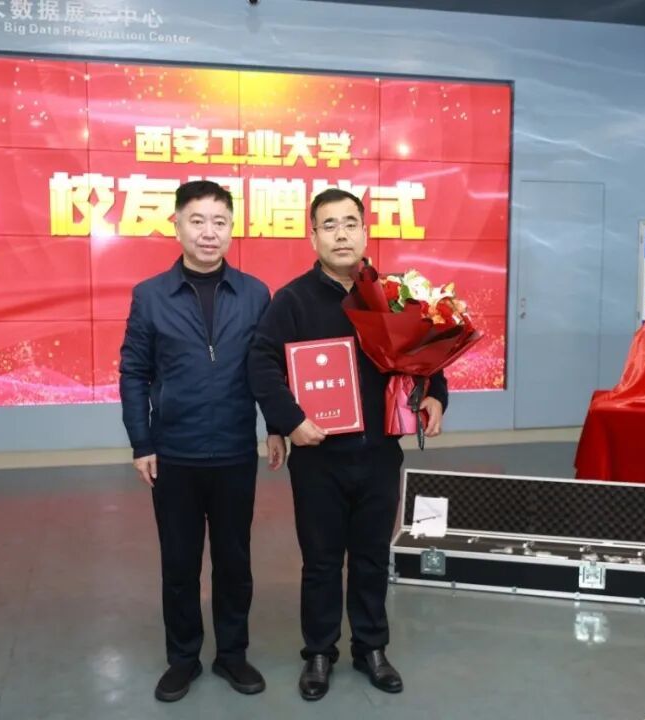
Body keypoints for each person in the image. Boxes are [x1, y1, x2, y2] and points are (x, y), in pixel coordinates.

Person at [248, 187, 448, 701]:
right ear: (313, 236)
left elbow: (427, 354)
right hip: (319, 457)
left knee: (371, 556)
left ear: (365, 231)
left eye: (350, 223)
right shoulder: (292, 300)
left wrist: (435, 396)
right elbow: (261, 364)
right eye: (329, 225)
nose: (341, 234)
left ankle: (371, 648)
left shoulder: (395, 295)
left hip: (380, 452)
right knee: (320, 562)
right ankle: (319, 653)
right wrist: (290, 421)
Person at [119, 180, 285, 703]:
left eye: (220, 222)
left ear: (232, 229)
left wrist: (275, 426)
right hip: (174, 454)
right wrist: (141, 442)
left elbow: (268, 368)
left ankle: (232, 654)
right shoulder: (150, 296)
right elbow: (134, 373)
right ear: (177, 226)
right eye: (197, 220)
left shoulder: (255, 294)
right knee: (179, 563)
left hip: (235, 451)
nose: (209, 232)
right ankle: (183, 658)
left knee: (235, 562)